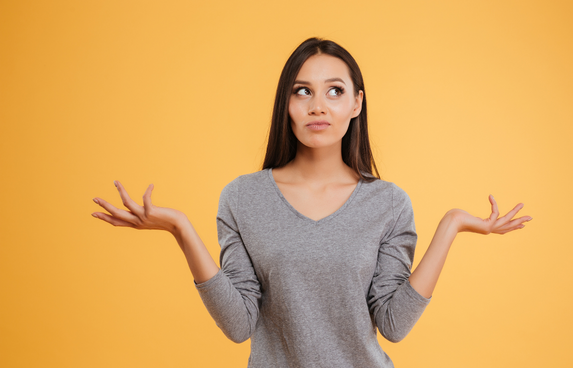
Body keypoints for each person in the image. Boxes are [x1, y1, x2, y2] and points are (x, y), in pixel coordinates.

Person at [91, 37, 532, 367]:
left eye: (335, 91)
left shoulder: (389, 204)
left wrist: (451, 224)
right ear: (287, 103)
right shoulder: (243, 197)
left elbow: (394, 325)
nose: (318, 106)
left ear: (357, 104)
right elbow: (239, 325)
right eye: (302, 91)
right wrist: (181, 230)